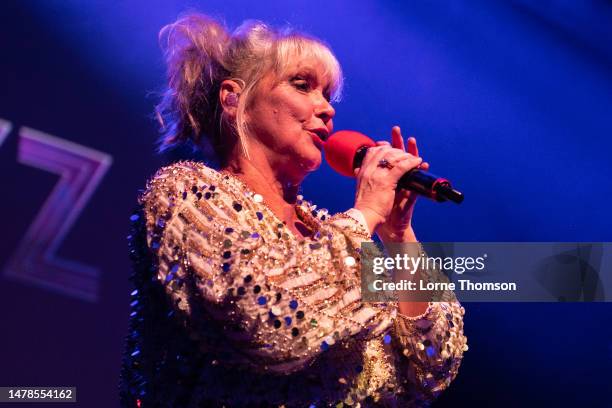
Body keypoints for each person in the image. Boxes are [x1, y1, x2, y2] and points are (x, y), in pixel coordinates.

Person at [119, 13, 467, 407]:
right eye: (302, 86)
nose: (326, 109)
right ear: (235, 100)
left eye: (328, 96)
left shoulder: (328, 235)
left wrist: (398, 234)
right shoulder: (186, 194)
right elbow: (268, 327)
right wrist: (365, 212)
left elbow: (428, 368)